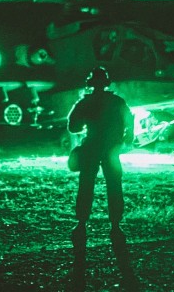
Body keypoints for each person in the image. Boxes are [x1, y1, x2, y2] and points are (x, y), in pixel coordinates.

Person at [67, 66, 136, 288]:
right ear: (106, 82)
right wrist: (125, 141)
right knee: (114, 186)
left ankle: (81, 222)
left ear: (90, 83)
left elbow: (73, 126)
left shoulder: (85, 102)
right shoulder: (117, 102)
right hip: (112, 150)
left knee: (86, 185)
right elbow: (129, 122)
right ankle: (115, 223)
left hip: (92, 149)